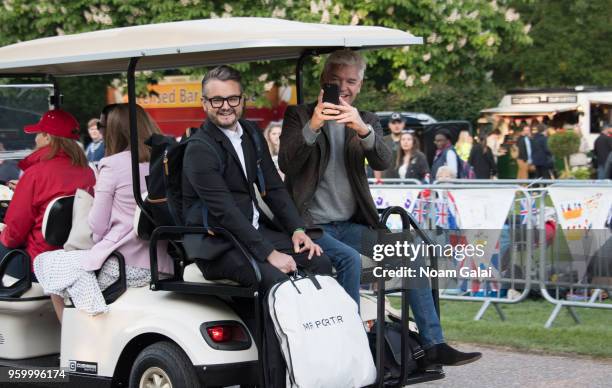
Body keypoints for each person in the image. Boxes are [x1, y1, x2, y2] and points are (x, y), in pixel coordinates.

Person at [279, 49, 481, 367]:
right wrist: (315, 124)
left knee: (409, 252)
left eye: (350, 81)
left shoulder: (367, 119)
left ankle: (433, 343)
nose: (343, 87)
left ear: (359, 85)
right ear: (323, 81)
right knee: (347, 262)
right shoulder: (300, 115)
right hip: (313, 226)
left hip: (351, 224)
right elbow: (287, 161)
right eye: (335, 80)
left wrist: (362, 129)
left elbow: (383, 160)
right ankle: (352, 348)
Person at [182, 66, 333, 388]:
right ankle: (275, 381)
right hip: (217, 243)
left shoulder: (250, 134)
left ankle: (320, 367)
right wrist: (268, 254)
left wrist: (296, 231)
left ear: (243, 99)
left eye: (232, 98)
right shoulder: (200, 148)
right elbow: (224, 212)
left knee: (319, 261)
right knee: (276, 281)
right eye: (217, 100)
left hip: (252, 234)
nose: (225, 106)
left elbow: (275, 190)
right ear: (204, 103)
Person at [34, 104, 174, 320]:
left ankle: (74, 337)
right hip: (164, 261)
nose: (99, 130)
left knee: (48, 262)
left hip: (124, 263)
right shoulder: (163, 162)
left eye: (101, 125)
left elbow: (97, 227)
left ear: (114, 130)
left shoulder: (111, 165)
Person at [0, 109, 95, 279]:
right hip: (76, 255)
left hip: (38, 261)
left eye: (37, 134)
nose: (35, 139)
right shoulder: (87, 171)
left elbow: (14, 233)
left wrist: (3, 234)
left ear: (48, 137)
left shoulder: (35, 174)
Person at [375, 112, 405, 179]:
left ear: (403, 124)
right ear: (389, 125)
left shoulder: (408, 140)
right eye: (393, 123)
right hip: (386, 181)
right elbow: (377, 162)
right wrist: (378, 180)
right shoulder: (382, 140)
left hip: (404, 181)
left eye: (399, 123)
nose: (396, 126)